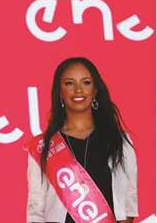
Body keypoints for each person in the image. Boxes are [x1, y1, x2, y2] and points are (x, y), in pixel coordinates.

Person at [26, 57, 138, 223]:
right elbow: (36, 206)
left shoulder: (119, 141)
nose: (78, 90)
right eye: (69, 83)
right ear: (60, 92)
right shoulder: (45, 146)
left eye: (86, 82)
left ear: (95, 90)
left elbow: (129, 202)